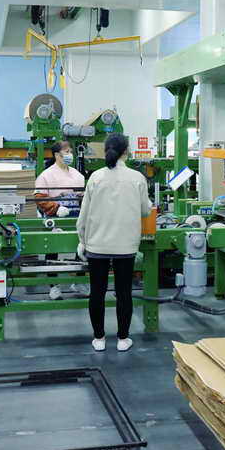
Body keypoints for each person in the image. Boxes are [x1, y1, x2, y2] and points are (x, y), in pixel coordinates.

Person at [75, 133, 151, 352]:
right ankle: (122, 339)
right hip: (125, 246)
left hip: (97, 245)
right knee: (124, 293)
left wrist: (82, 240)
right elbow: (145, 210)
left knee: (97, 293)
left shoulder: (96, 177)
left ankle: (99, 339)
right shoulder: (137, 178)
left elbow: (83, 216)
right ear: (126, 151)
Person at [34, 141, 85, 218]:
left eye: (71, 152)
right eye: (67, 152)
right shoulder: (46, 175)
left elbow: (83, 197)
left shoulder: (77, 174)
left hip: (76, 216)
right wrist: (56, 208)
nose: (70, 155)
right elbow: (40, 198)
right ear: (57, 155)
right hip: (56, 216)